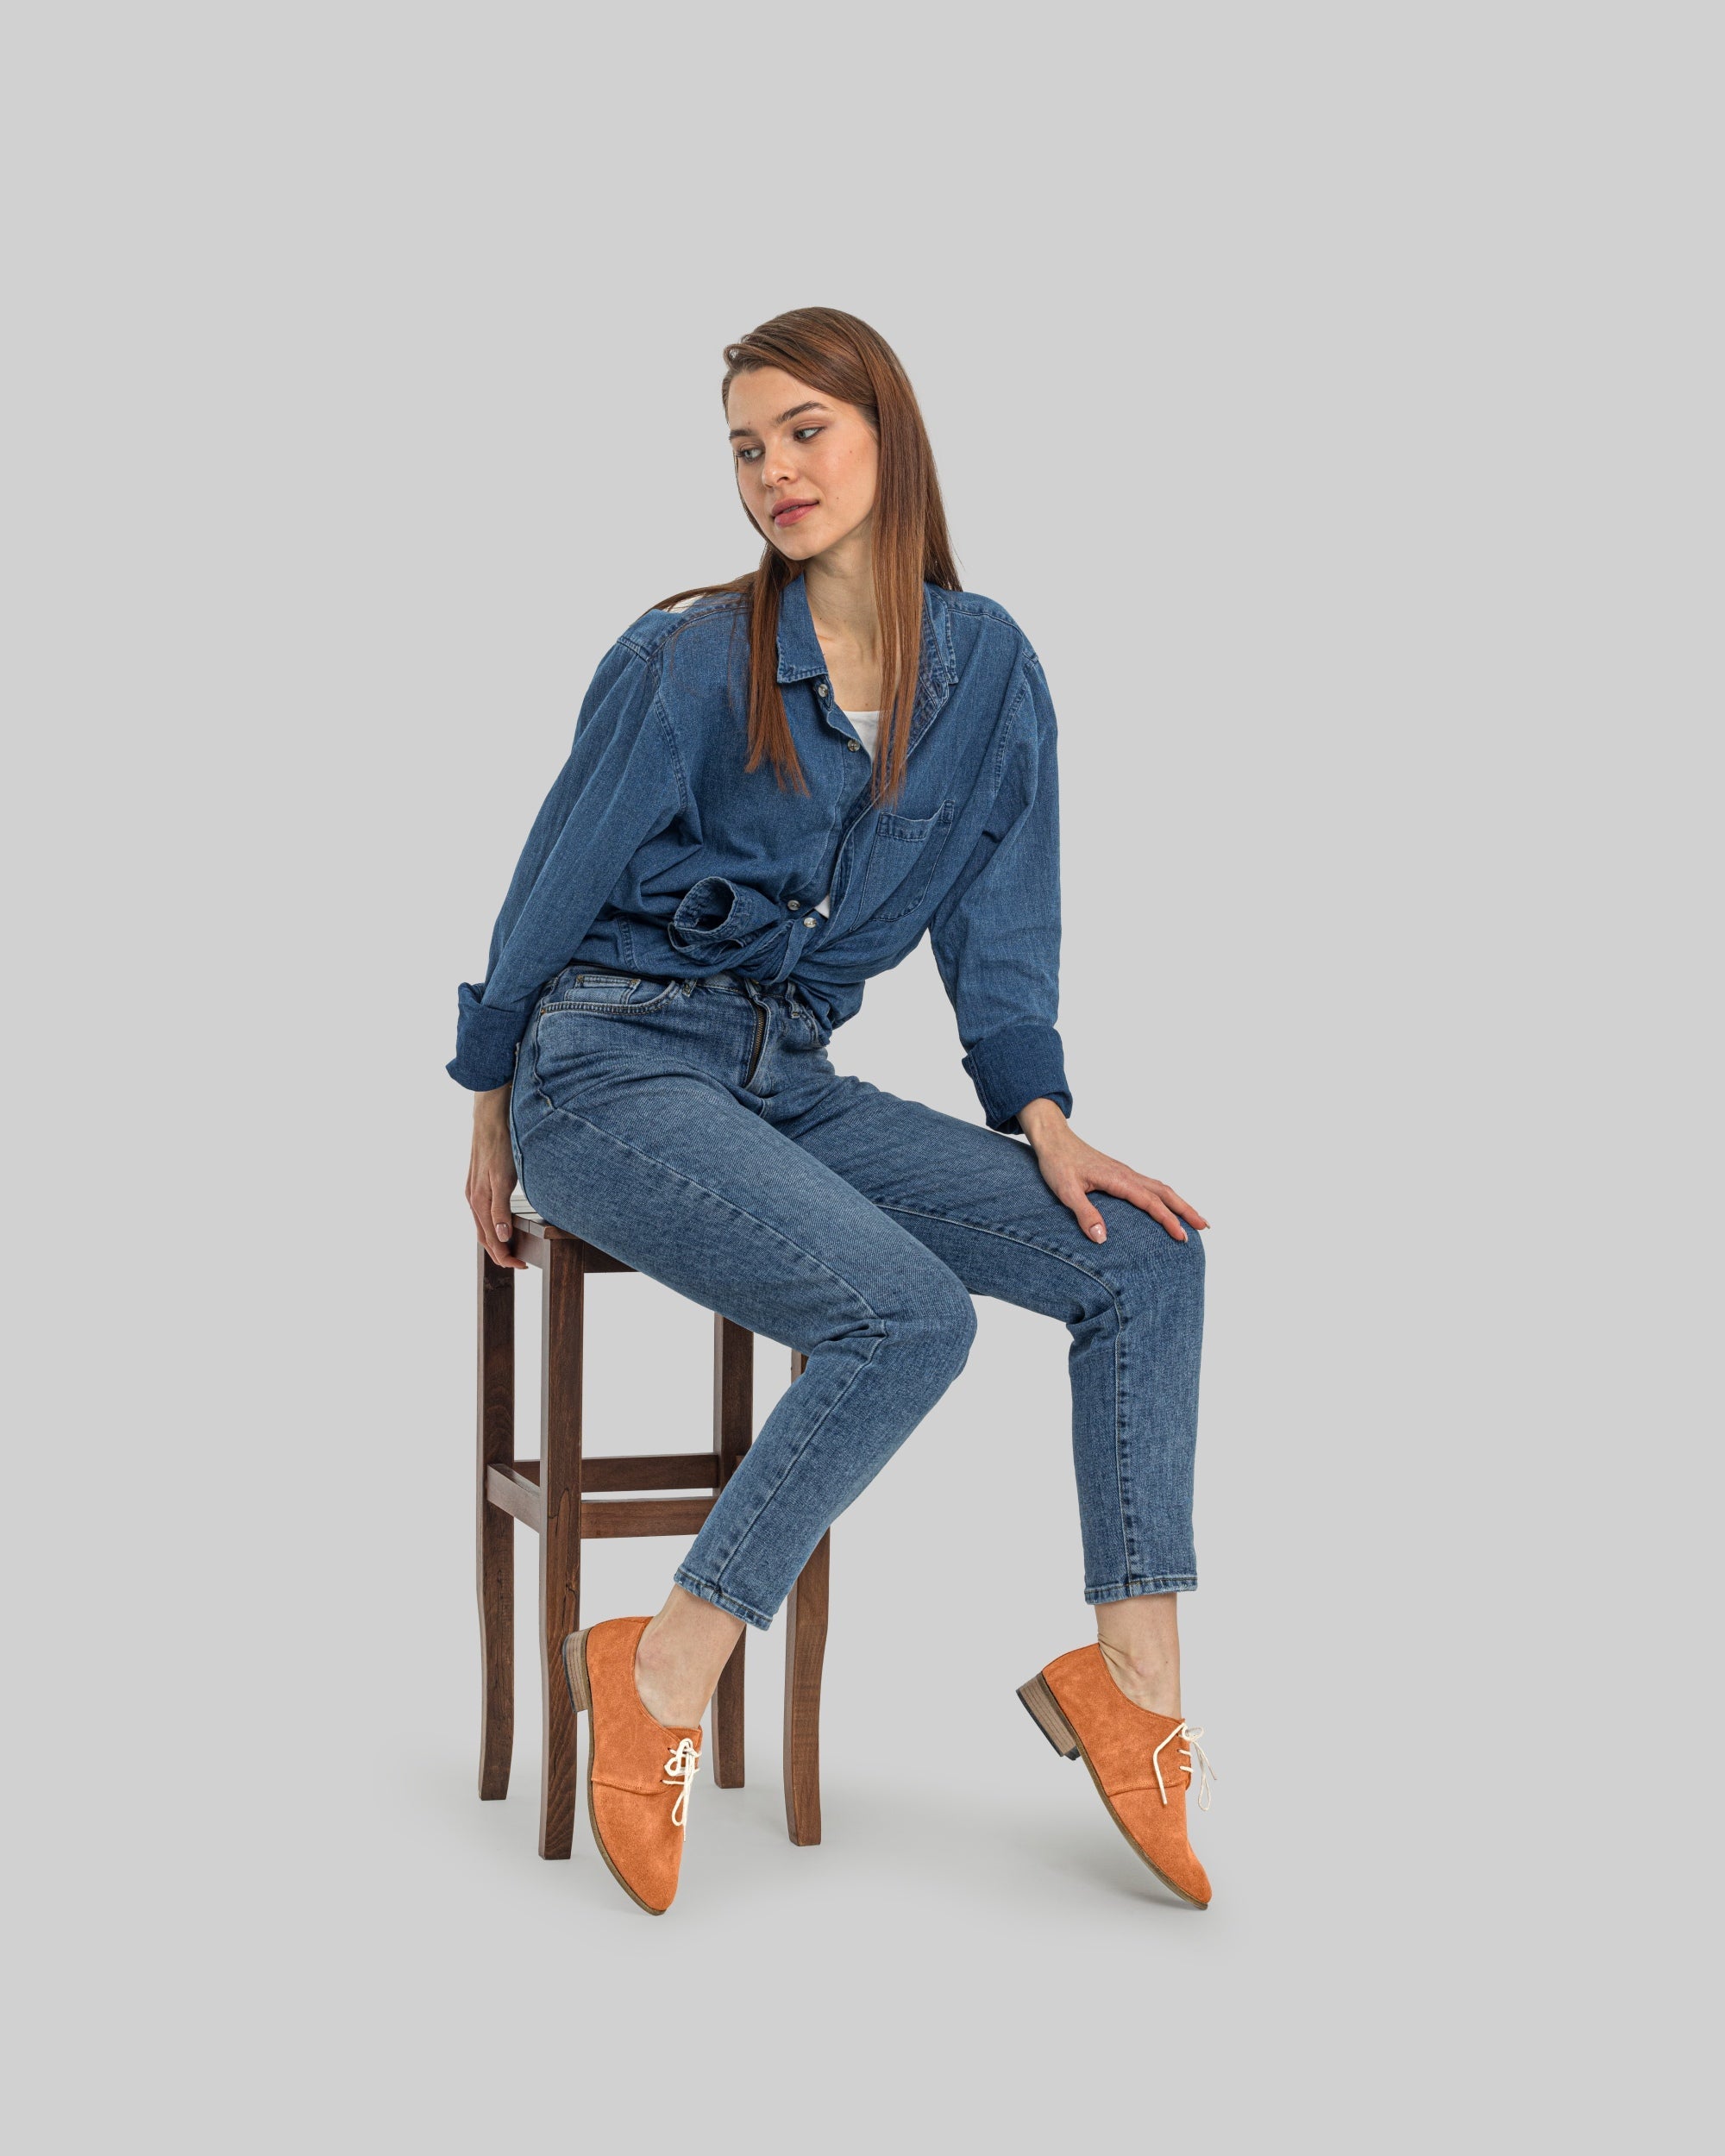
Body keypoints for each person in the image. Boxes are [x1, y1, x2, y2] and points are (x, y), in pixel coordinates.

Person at [451, 307, 1214, 1915]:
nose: (773, 472)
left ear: (889, 436)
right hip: (609, 1069)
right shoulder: (686, 658)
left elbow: (1003, 920)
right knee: (907, 1319)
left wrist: (1042, 1111)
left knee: (1143, 1259)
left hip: (784, 1080)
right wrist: (489, 1105)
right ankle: (662, 1667)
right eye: (747, 447)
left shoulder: (988, 667)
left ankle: (1136, 1686)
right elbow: (550, 883)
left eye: (805, 430)